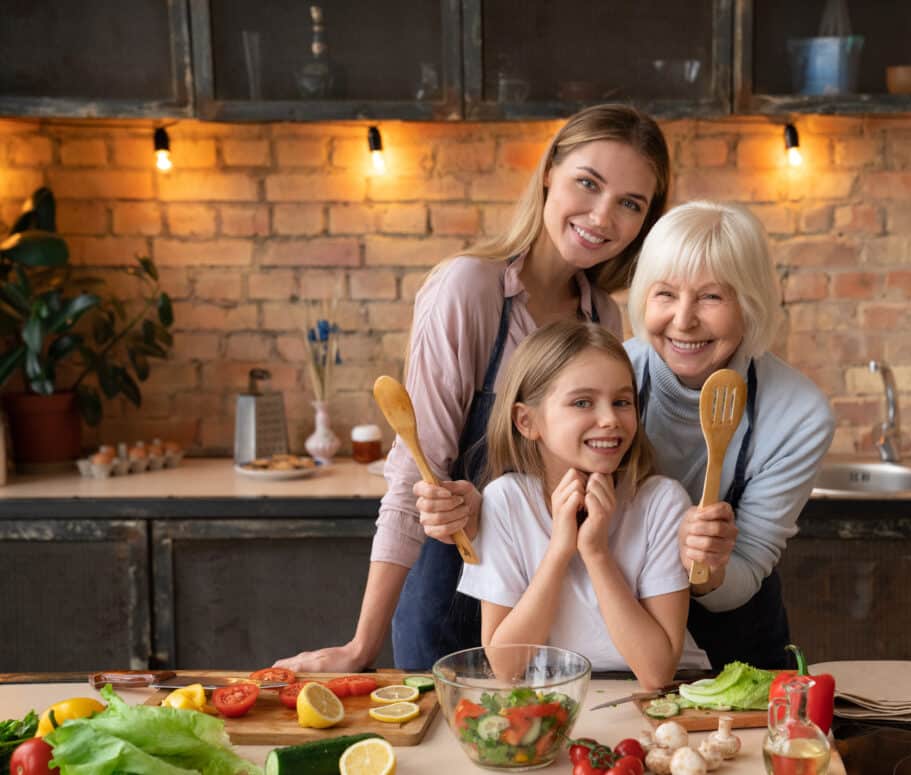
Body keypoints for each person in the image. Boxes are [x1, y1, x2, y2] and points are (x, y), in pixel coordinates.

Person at [275, 104, 671, 672]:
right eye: (588, 183)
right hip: (451, 600)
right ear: (547, 175)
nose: (603, 216)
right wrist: (361, 646)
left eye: (630, 204)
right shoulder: (470, 289)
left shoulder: (601, 315)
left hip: (550, 614)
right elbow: (415, 474)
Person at [624, 200, 836, 670]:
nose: (683, 320)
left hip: (735, 651)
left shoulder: (797, 414)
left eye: (711, 297)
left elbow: (748, 568)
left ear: (752, 303)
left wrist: (708, 568)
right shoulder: (607, 380)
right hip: (614, 640)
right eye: (665, 294)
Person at [458, 320, 709, 688]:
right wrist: (560, 550)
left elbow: (656, 673)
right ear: (527, 421)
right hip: (553, 693)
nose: (610, 419)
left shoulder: (661, 502)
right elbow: (506, 666)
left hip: (655, 695)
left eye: (622, 402)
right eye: (582, 402)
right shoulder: (505, 501)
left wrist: (595, 552)